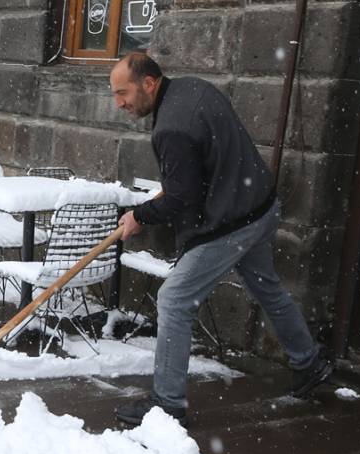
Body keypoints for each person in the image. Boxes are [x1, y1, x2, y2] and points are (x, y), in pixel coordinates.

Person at [109, 51, 331, 427]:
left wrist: (140, 216)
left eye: (122, 93)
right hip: (259, 206)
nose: (119, 104)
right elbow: (204, 165)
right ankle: (309, 362)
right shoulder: (192, 89)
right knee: (268, 288)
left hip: (232, 223)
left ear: (149, 83)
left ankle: (168, 404)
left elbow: (183, 199)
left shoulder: (171, 128)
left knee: (174, 299)